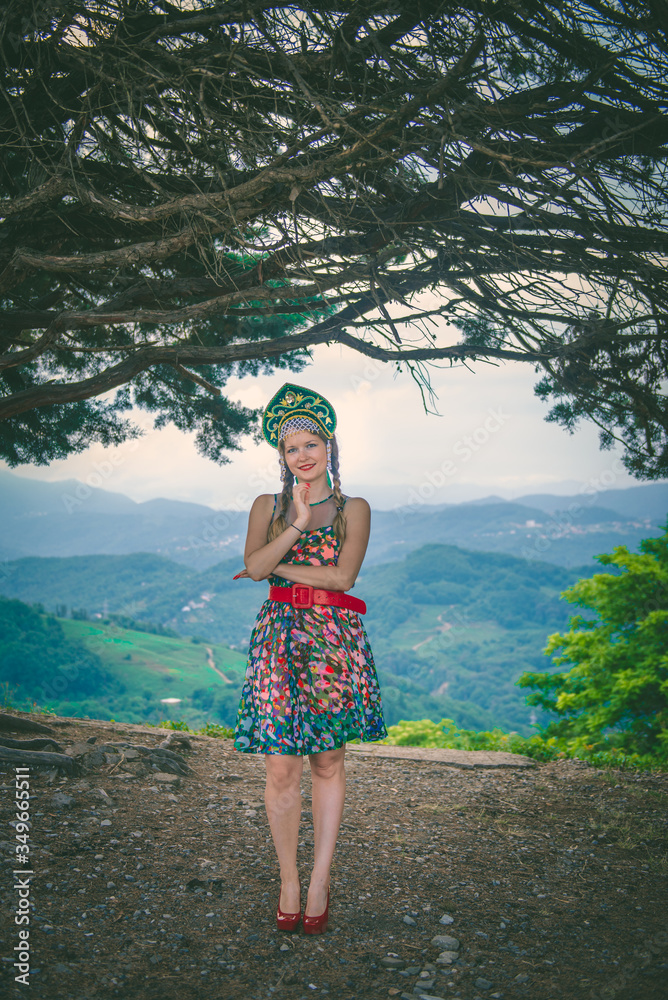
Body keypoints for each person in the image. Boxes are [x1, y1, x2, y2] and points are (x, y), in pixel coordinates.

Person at [232, 382, 388, 934]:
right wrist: (294, 526)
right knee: (280, 765)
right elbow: (253, 567)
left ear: (330, 446)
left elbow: (343, 577)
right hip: (278, 640)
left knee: (328, 760)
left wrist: (277, 566)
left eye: (311, 443)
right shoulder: (268, 506)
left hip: (332, 639)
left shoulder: (355, 508)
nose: (302, 455)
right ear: (281, 455)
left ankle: (320, 878)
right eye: (291, 447)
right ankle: (289, 881)